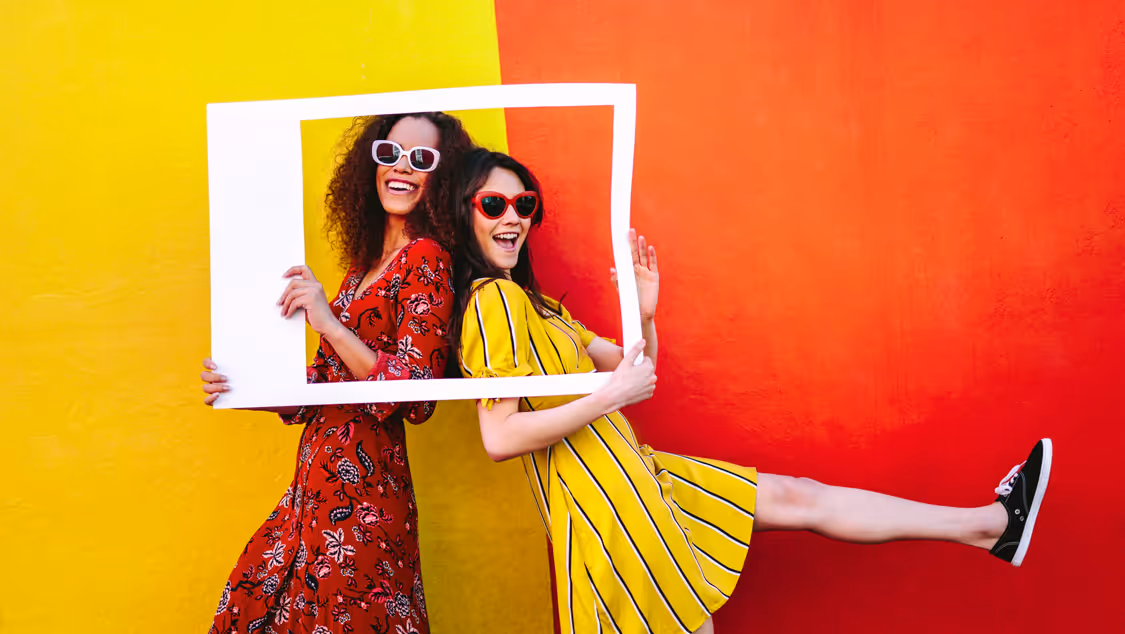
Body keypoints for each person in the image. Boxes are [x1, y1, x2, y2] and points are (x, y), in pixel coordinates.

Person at [450, 148, 1053, 634]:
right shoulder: (492, 301)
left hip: (638, 477)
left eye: (524, 203)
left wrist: (646, 315)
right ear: (464, 213)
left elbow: (637, 374)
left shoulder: (538, 306)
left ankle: (991, 525)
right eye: (494, 203)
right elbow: (500, 437)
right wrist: (612, 396)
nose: (513, 218)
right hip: (608, 508)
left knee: (801, 497)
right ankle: (989, 524)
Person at [201, 112, 472, 634]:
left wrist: (328, 323)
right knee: (256, 604)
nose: (401, 168)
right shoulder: (365, 265)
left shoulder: (428, 259)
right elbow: (324, 387)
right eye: (389, 154)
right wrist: (240, 386)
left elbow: (415, 394)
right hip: (316, 485)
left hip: (365, 496)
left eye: (422, 159)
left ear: (444, 177)